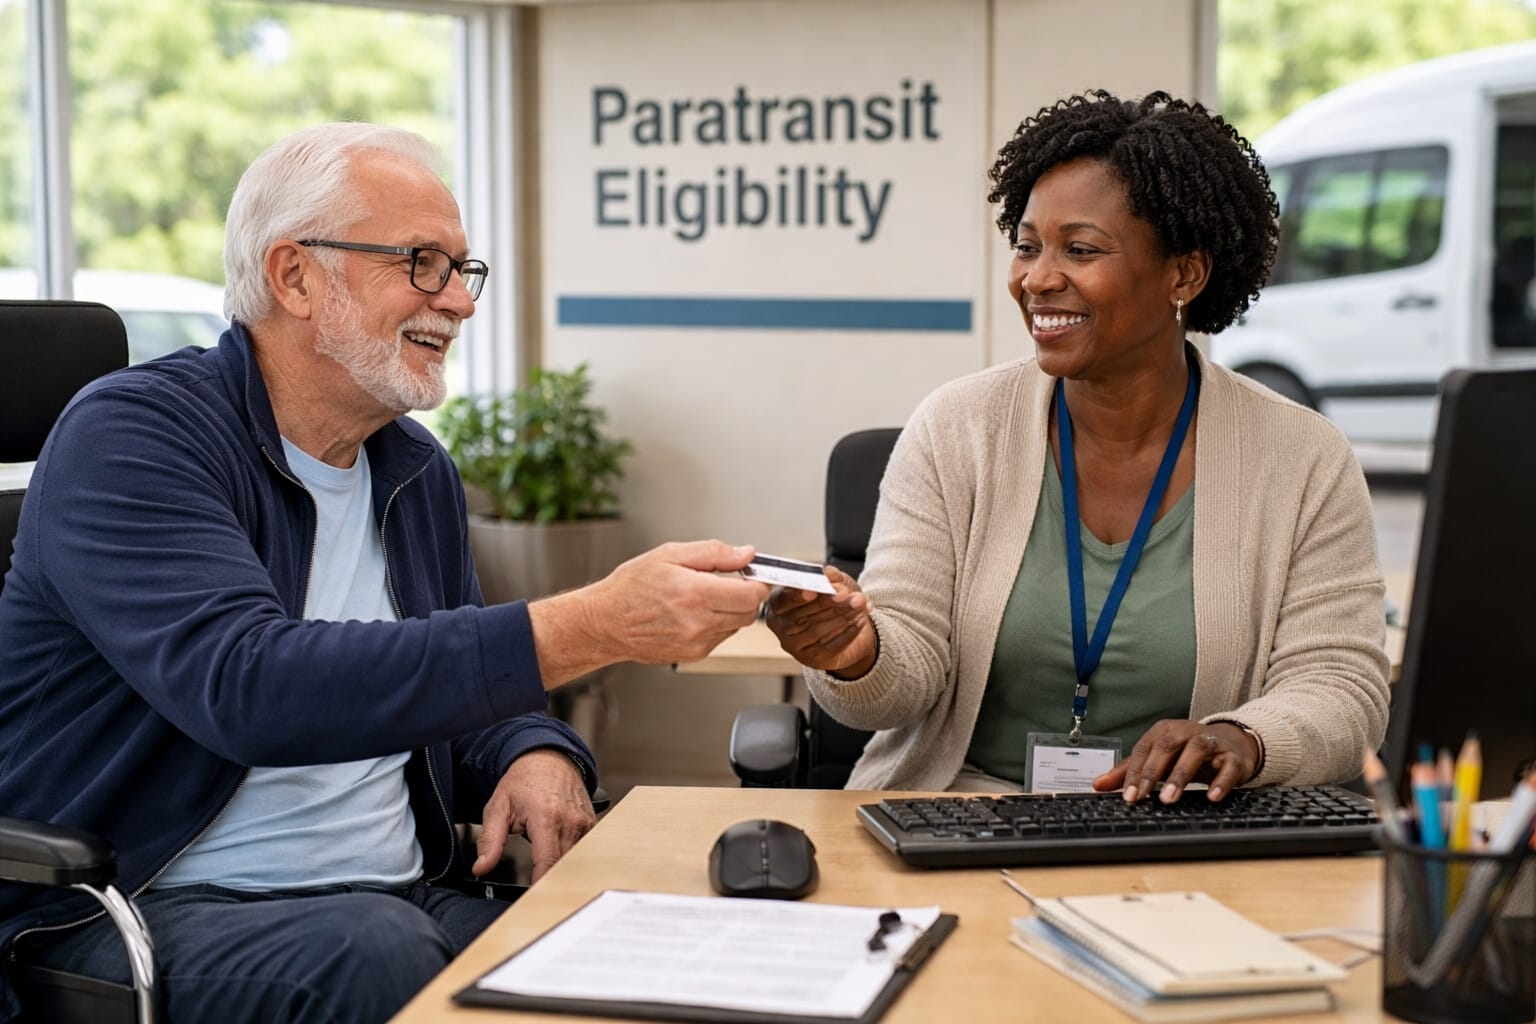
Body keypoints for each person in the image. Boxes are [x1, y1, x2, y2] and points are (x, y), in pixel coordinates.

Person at [0, 123, 771, 1024]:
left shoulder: (411, 467)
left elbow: (451, 674)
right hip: (131, 907)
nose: (459, 302)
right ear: (294, 276)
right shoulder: (135, 436)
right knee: (381, 955)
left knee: (633, 959)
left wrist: (534, 748)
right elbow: (250, 689)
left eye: (461, 270)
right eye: (422, 263)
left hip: (394, 898)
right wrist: (592, 624)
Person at [766, 90, 1390, 801]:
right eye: (1028, 245)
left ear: (1183, 274)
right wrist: (855, 654)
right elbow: (893, 690)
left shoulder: (1302, 457)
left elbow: (1344, 689)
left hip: (1184, 832)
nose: (1037, 278)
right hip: (960, 812)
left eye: (1081, 250)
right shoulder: (957, 428)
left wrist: (1243, 738)